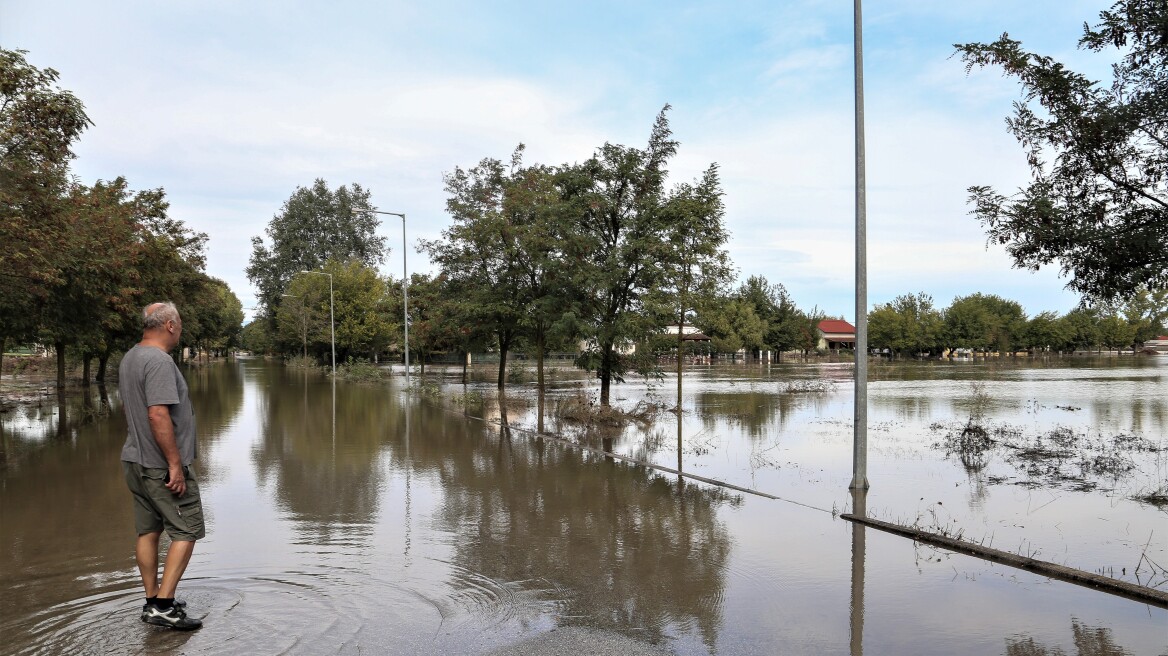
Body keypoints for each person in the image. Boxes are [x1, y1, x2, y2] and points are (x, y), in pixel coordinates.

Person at [119, 302, 204, 631]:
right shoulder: (158, 361)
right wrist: (175, 465)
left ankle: (153, 599)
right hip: (159, 466)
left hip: (135, 461)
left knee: (149, 531)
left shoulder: (132, 357)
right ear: (169, 325)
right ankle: (164, 606)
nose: (180, 329)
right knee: (187, 530)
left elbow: (134, 409)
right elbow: (157, 414)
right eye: (179, 323)